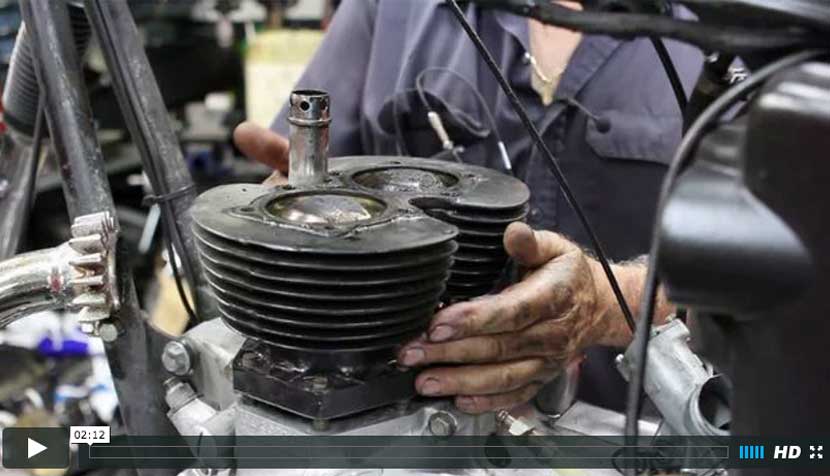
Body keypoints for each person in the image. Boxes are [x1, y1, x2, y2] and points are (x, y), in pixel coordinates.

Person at [233, 0, 700, 413]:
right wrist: (295, 216)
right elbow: (305, 183)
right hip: (401, 432)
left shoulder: (723, 34)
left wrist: (610, 302)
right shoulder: (389, 10)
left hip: (640, 439)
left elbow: (746, 275)